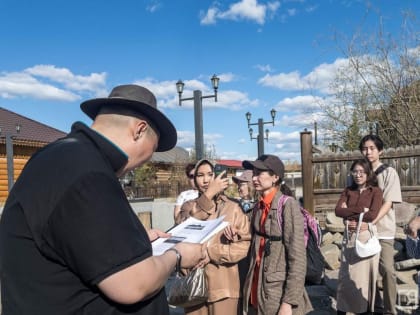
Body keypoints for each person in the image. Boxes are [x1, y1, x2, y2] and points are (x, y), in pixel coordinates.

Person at [0, 84, 205, 314]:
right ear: (139, 130)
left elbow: (76, 242)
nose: (148, 159)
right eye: (153, 148)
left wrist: (134, 242)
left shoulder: (62, 158)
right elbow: (133, 284)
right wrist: (177, 256)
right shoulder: (88, 172)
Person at [237, 154, 312, 315]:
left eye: (259, 173)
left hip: (277, 295)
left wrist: (288, 302)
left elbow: (297, 257)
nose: (254, 178)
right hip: (256, 288)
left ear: (275, 177)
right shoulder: (257, 207)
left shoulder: (287, 205)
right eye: (254, 173)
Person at [176, 159, 251, 315]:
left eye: (210, 174)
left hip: (224, 287)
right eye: (200, 175)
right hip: (193, 285)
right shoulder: (188, 206)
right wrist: (209, 195)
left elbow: (245, 245)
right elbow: (184, 229)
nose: (205, 180)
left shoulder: (233, 207)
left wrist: (211, 253)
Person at [358, 134, 402, 315]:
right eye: (365, 148)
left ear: (380, 151)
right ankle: (372, 307)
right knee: (367, 272)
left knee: (388, 271)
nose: (368, 152)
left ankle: (391, 310)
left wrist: (372, 222)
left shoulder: (389, 173)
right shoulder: (358, 172)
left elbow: (389, 202)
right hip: (363, 230)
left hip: (383, 229)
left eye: (372, 148)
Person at [335, 159, 383, 314]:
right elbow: (338, 211)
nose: (358, 175)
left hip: (365, 237)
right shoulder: (348, 190)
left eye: (362, 171)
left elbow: (373, 214)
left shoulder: (375, 191)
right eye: (355, 171)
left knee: (363, 280)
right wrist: (361, 209)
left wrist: (349, 210)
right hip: (349, 238)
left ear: (368, 173)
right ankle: (342, 310)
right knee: (345, 278)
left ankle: (363, 310)